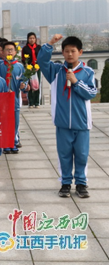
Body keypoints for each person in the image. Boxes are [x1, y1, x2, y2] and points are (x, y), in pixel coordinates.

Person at [37, 34, 96, 198]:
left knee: (82, 155)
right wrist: (50, 44)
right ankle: (65, 183)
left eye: (73, 51)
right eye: (66, 51)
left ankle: (81, 183)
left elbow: (91, 93)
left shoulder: (87, 72)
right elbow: (41, 61)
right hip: (63, 123)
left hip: (82, 123)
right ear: (62, 53)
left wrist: (76, 82)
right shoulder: (56, 71)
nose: (70, 54)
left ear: (80, 52)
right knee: (64, 154)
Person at [0, 41, 27, 154]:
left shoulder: (20, 67)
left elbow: (24, 81)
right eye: (7, 49)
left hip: (14, 98)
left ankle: (14, 142)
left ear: (15, 52)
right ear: (3, 52)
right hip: (2, 99)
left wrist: (24, 85)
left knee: (15, 121)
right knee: (4, 121)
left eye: (11, 49)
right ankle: (6, 143)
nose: (9, 51)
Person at [22, 32, 42, 108]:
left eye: (33, 38)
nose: (32, 40)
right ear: (28, 39)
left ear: (35, 39)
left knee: (37, 84)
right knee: (29, 85)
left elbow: (41, 58)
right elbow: (23, 59)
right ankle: (31, 102)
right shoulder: (25, 48)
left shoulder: (39, 47)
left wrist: (38, 66)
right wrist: (27, 66)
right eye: (30, 38)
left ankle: (37, 102)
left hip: (37, 68)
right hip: (29, 69)